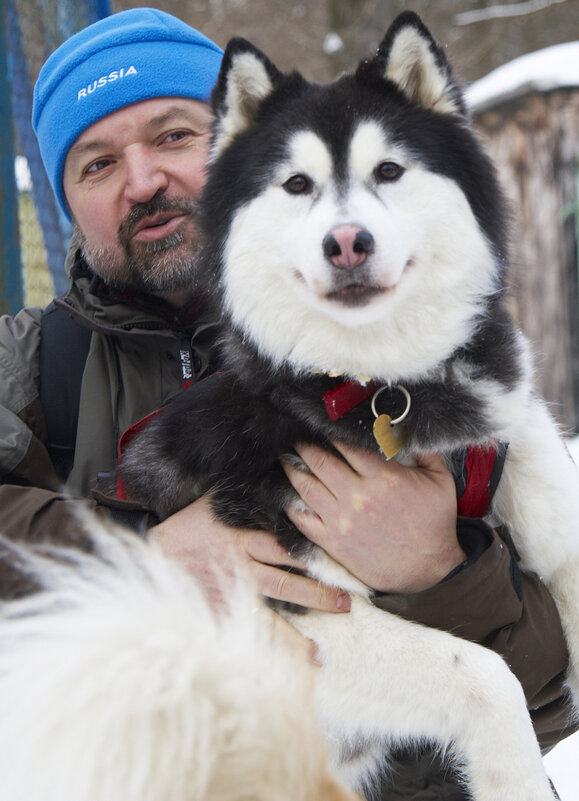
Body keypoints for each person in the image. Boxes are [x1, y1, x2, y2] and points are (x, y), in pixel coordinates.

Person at [0, 8, 574, 799]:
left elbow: (547, 694)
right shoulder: (28, 363)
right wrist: (142, 554)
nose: (141, 181)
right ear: (65, 196)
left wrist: (437, 569)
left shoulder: (442, 366)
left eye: (173, 137)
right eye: (96, 164)